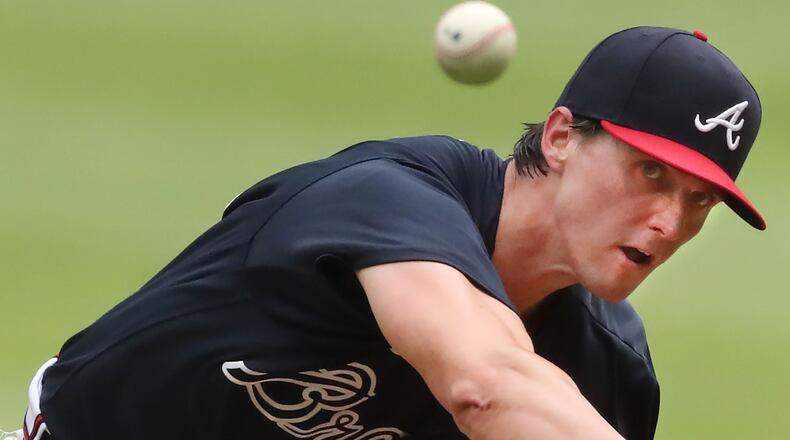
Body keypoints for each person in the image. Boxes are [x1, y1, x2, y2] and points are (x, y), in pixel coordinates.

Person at [10, 26, 764, 440]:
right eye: (651, 174)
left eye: (700, 201)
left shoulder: (608, 373)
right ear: (563, 137)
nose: (669, 222)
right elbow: (486, 385)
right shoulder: (385, 201)